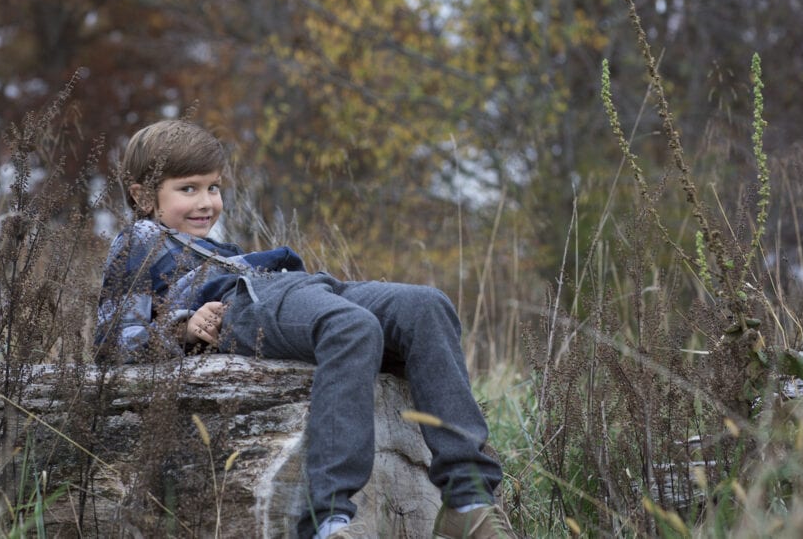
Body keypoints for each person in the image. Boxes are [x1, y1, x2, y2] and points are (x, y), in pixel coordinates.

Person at [95, 120, 517, 539]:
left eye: (214, 187)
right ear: (143, 196)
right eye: (188, 189)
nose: (207, 202)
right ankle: (328, 520)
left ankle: (469, 500)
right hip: (242, 302)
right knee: (351, 328)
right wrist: (182, 326)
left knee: (427, 306)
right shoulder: (139, 240)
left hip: (292, 285)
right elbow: (113, 339)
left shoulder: (217, 247)